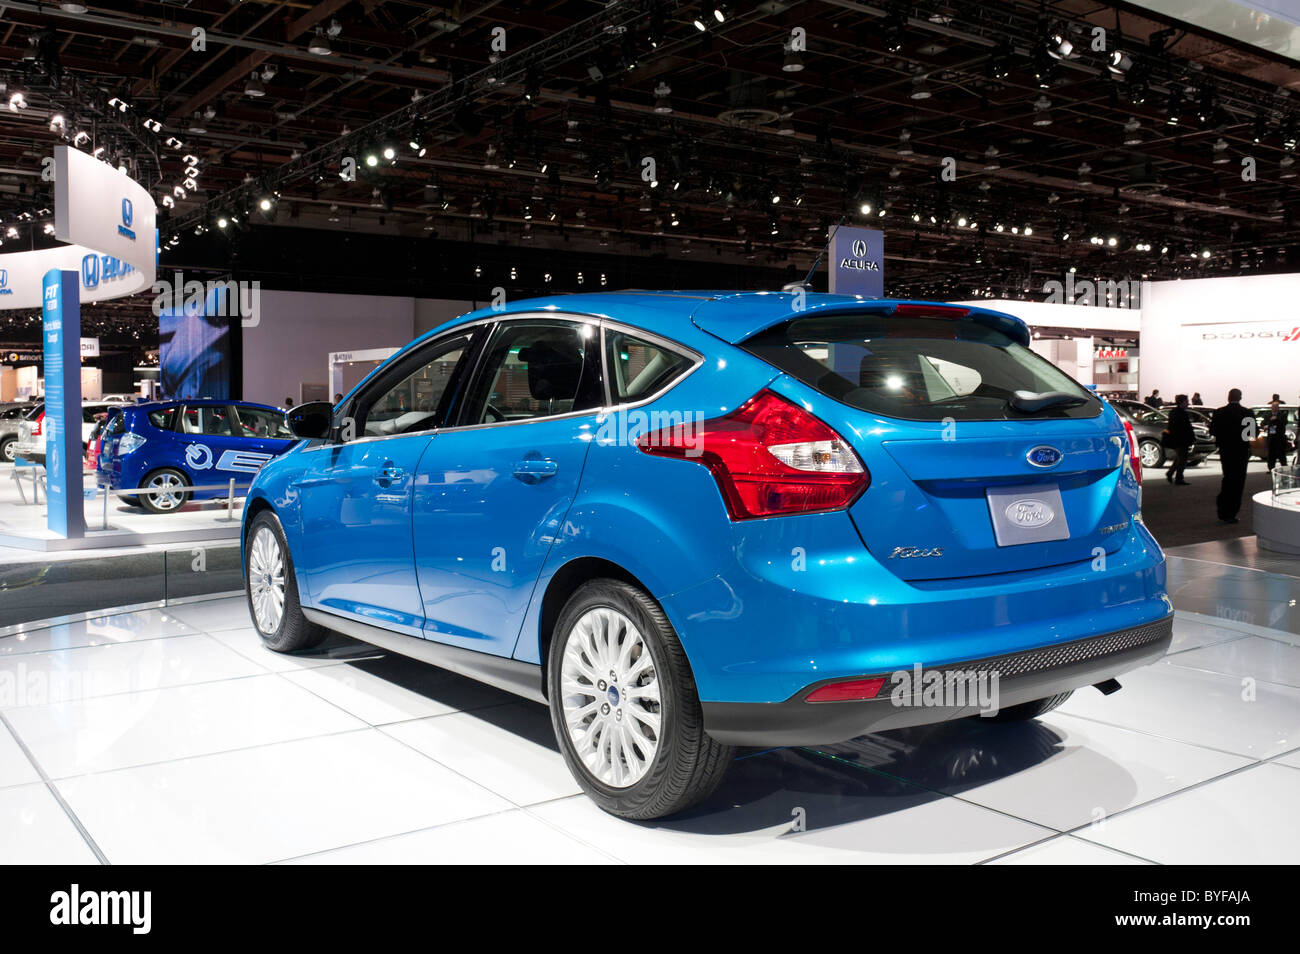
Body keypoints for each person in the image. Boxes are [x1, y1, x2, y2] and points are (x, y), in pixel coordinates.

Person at [1210, 388, 1252, 523]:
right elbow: (1250, 434)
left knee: (1227, 478)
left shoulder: (1219, 412)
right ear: (1240, 397)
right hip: (1241, 452)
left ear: (1228, 397)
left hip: (1226, 451)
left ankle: (1223, 509)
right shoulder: (1247, 413)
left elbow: (1213, 430)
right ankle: (1232, 512)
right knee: (1238, 482)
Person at [1164, 394, 1195, 486]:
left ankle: (1171, 473)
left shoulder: (1175, 412)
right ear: (1182, 402)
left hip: (1178, 439)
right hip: (1181, 440)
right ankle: (1178, 478)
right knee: (1182, 459)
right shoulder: (1180, 413)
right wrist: (1190, 437)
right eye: (1186, 401)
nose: (1188, 403)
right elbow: (1184, 427)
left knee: (1180, 458)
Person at [1262, 397, 1290, 471]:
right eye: (1272, 407)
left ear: (1278, 408)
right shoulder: (1267, 415)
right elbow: (1263, 423)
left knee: (1281, 454)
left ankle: (1284, 467)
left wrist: (1276, 419)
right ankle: (1271, 468)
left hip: (1280, 437)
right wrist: (1265, 426)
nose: (1273, 408)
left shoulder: (1282, 415)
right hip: (1271, 437)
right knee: (1271, 454)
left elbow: (1284, 422)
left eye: (1275, 407)